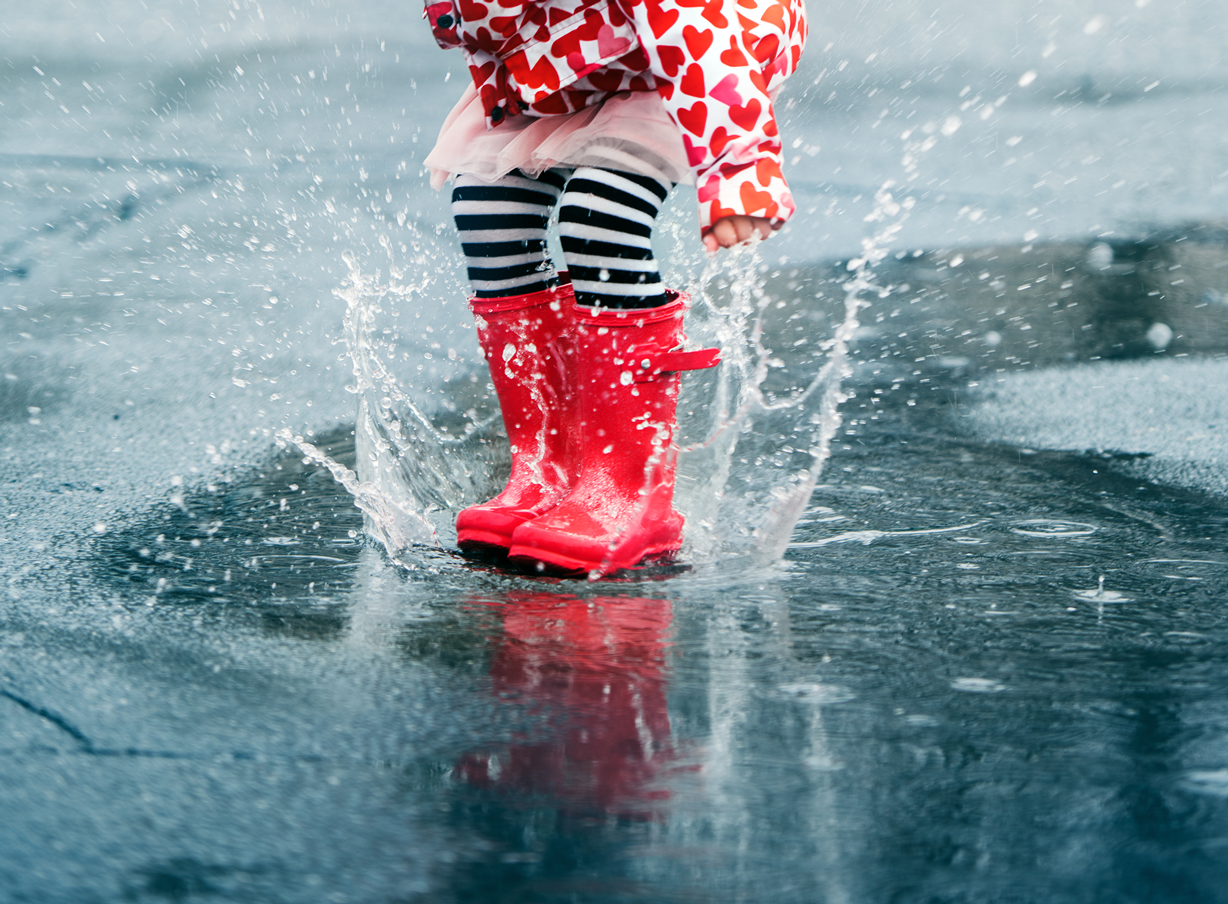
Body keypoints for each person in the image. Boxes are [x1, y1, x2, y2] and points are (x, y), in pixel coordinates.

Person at [422, 0, 807, 575]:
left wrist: (739, 172)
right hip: (578, 57)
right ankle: (543, 471)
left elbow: (704, 35)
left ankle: (625, 492)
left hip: (700, 53)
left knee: (596, 219)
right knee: (486, 204)